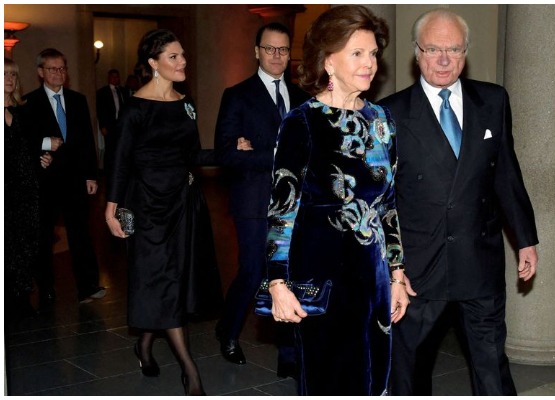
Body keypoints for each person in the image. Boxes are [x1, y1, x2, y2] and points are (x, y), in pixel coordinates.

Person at [378, 8, 539, 395]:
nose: (445, 59)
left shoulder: (493, 100)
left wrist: (525, 237)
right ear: (417, 53)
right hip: (418, 269)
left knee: (491, 366)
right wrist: (392, 268)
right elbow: (383, 200)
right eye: (434, 49)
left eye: (454, 49)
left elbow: (506, 175)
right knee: (409, 369)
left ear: (466, 52)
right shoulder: (390, 113)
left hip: (478, 260)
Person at [265, 5, 409, 395]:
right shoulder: (303, 122)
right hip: (321, 273)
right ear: (328, 60)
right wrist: (277, 283)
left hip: (373, 275)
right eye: (357, 53)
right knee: (329, 379)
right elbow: (282, 209)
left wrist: (397, 273)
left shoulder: (382, 120)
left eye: (374, 53)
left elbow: (388, 203)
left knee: (373, 376)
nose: (370, 63)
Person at [104, 28, 222, 396]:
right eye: (173, 56)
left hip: (183, 205)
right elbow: (118, 162)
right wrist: (111, 210)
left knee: (172, 283)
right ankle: (191, 371)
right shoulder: (135, 108)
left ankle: (143, 344)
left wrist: (233, 151)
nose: (182, 61)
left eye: (183, 54)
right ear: (153, 64)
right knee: (162, 282)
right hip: (148, 209)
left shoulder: (186, 104)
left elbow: (192, 155)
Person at [213, 22, 309, 373]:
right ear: (256, 52)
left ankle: (289, 354)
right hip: (253, 201)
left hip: (295, 204)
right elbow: (224, 152)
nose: (277, 56)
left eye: (283, 50)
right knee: (254, 271)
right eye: (270, 49)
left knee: (290, 274)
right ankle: (228, 330)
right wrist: (272, 156)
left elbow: (309, 150)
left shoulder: (301, 97)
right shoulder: (237, 95)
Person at [23, 48, 105, 306]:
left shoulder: (77, 100)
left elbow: (87, 141)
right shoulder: (28, 103)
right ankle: (46, 289)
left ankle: (88, 286)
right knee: (44, 236)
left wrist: (91, 175)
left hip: (75, 180)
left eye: (62, 68)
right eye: (52, 69)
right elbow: (23, 142)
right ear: (40, 72)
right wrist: (42, 150)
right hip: (45, 180)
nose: (59, 73)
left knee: (81, 232)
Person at [4, 58, 54, 321]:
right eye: (4, 74)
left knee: (25, 245)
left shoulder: (24, 111)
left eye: (13, 74)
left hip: (27, 189)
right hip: (5, 190)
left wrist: (43, 158)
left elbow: (32, 146)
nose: (9, 79)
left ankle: (21, 299)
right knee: (7, 245)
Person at [96, 68, 128, 176]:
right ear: (109, 78)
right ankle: (109, 171)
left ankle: (121, 169)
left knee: (122, 147)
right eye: (113, 76)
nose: (115, 78)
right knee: (110, 149)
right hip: (110, 125)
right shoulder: (102, 92)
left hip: (122, 125)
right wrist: (103, 126)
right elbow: (100, 110)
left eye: (117, 76)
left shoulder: (123, 91)